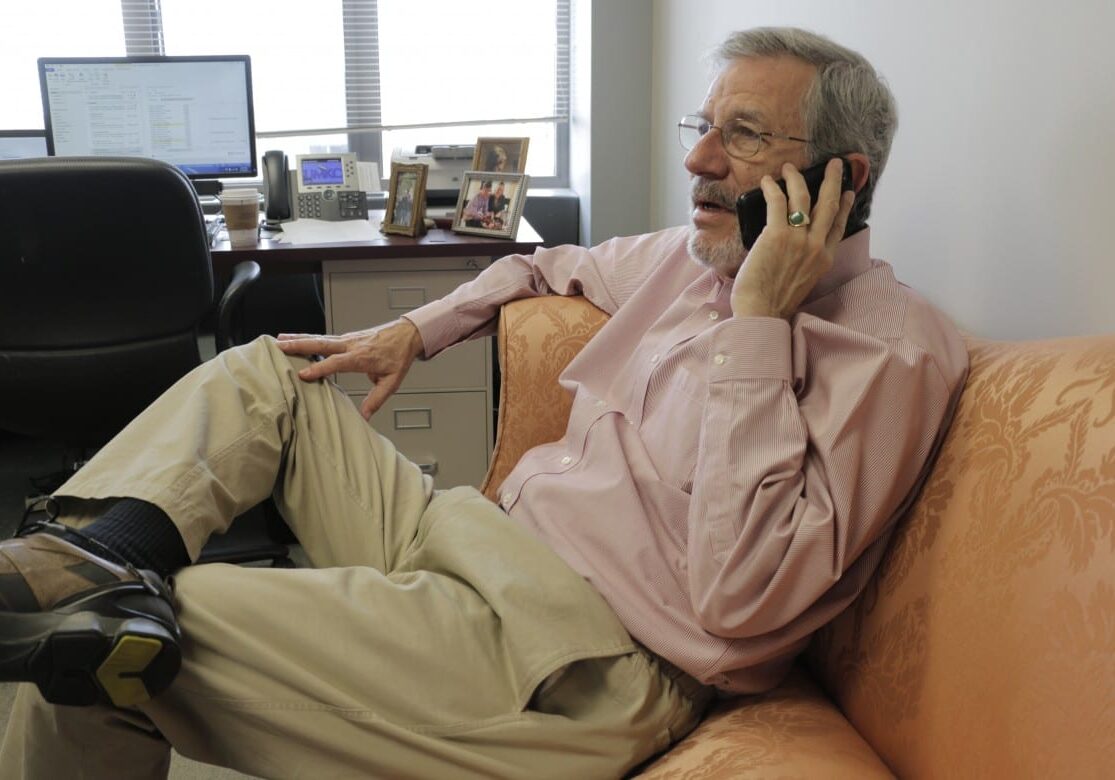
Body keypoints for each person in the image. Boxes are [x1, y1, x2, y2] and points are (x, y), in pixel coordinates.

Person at [0, 26, 968, 779]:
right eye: (702, 127)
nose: (698, 162)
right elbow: (541, 260)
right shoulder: (686, 260)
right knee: (267, 369)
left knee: (111, 631)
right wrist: (414, 331)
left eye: (744, 136)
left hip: (590, 657)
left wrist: (758, 321)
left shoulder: (889, 351)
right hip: (483, 543)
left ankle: (82, 585)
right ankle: (86, 547)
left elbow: (740, 599)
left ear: (843, 177)